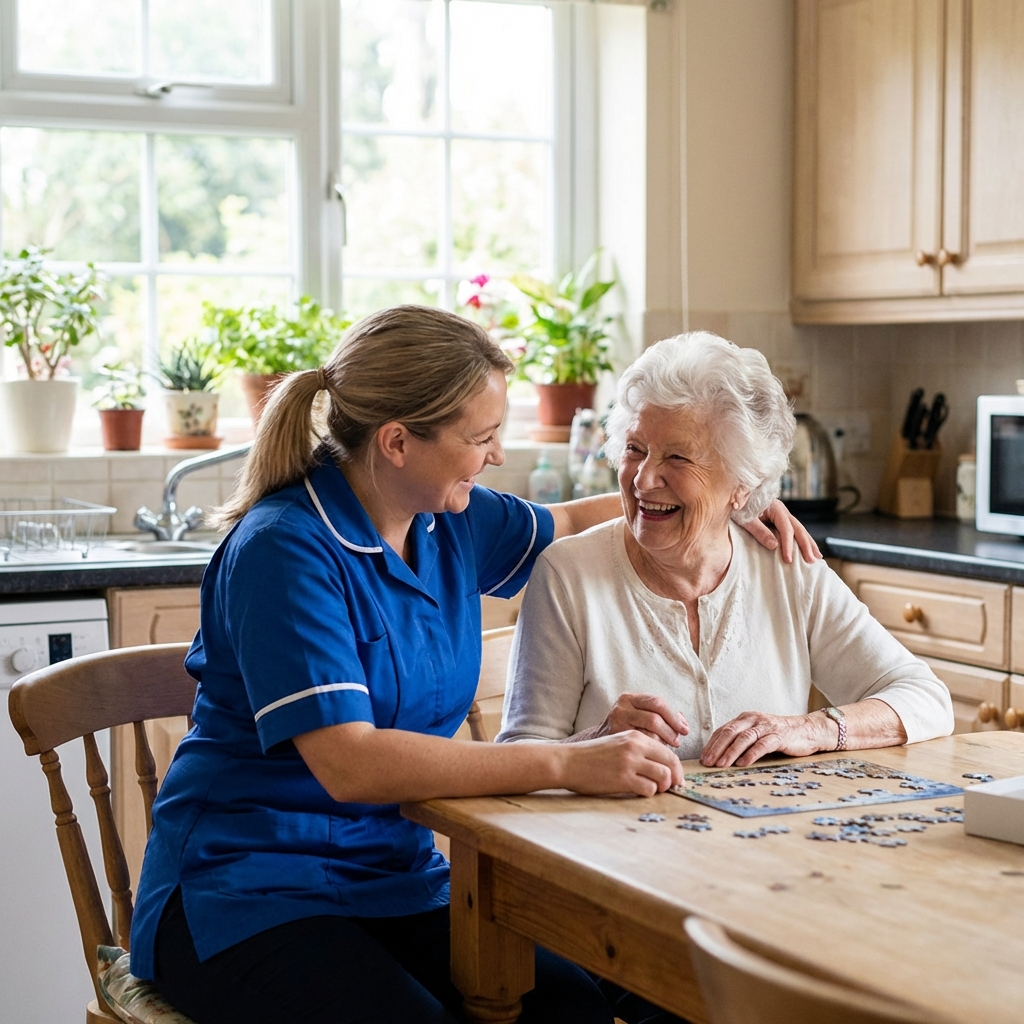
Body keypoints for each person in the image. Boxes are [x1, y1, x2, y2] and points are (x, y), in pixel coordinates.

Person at [129, 308, 817, 1024]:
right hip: (244, 894)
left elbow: (577, 522)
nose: (495, 456)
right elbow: (352, 764)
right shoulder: (284, 549)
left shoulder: (449, 519)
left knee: (569, 1010)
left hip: (391, 880)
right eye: (481, 438)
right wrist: (564, 762)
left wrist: (728, 503)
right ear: (398, 442)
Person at [497, 331, 954, 769]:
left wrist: (814, 729)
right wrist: (596, 742)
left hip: (766, 845)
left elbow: (925, 698)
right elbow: (519, 757)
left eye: (677, 457)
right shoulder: (567, 576)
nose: (642, 479)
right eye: (635, 449)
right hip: (614, 847)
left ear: (742, 484)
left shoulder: (787, 567)